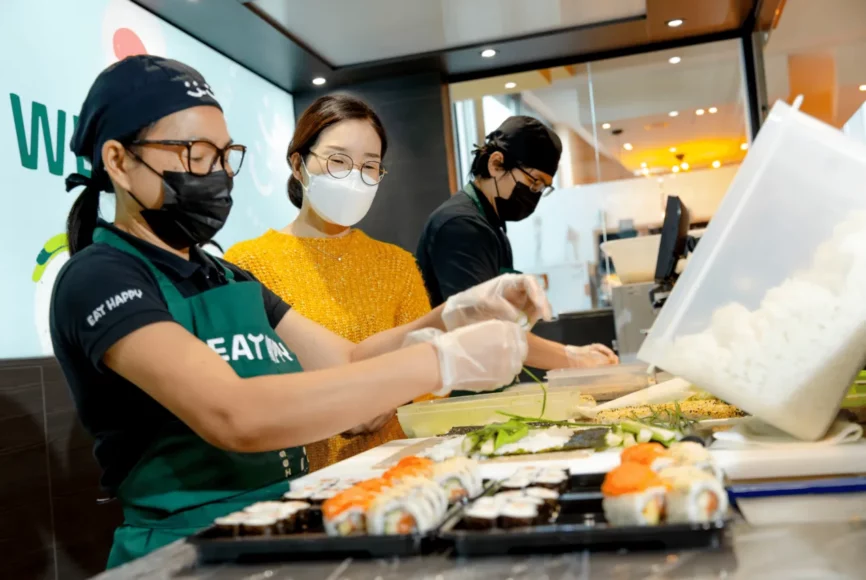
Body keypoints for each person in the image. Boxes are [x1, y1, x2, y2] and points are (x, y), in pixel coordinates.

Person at [50, 56, 546, 567]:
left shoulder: (227, 276)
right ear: (117, 160)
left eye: (225, 156)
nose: (218, 174)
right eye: (197, 154)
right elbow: (233, 413)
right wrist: (441, 361)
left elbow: (349, 362)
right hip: (183, 551)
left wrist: (453, 316)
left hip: (274, 530)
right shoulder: (101, 277)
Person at [225, 95, 432, 472]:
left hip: (397, 472)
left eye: (370, 166)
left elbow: (429, 370)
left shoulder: (397, 265)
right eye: (338, 160)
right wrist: (336, 403)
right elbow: (243, 385)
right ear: (299, 165)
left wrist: (389, 400)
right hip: (297, 480)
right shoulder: (246, 264)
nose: (354, 177)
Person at [417, 116, 619, 373]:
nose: (534, 195)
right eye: (533, 182)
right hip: (453, 386)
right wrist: (571, 357)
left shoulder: (490, 223)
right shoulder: (461, 225)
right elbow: (481, 331)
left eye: (542, 188)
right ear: (496, 164)